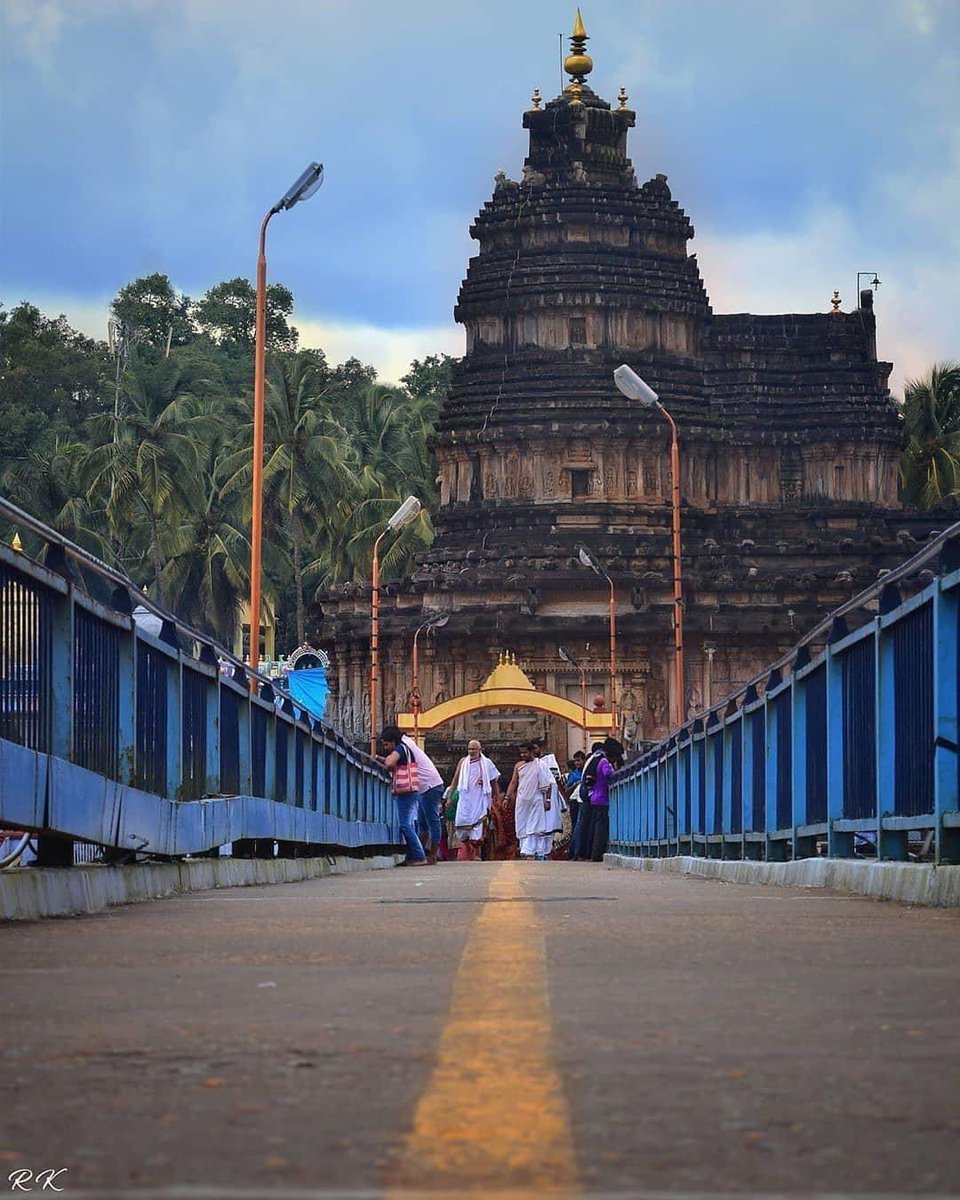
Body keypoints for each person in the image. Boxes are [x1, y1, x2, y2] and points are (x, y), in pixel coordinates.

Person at [377, 725, 426, 866]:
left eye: (386, 744)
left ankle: (419, 855)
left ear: (393, 741)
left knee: (405, 825)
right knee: (410, 823)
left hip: (406, 791)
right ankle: (411, 856)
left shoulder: (400, 748)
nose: (386, 747)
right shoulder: (406, 748)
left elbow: (390, 762)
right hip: (411, 790)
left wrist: (384, 760)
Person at [450, 739, 501, 860]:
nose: (471, 751)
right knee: (461, 825)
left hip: (479, 799)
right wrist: (449, 796)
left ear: (480, 750)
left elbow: (494, 782)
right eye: (470, 749)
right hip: (465, 799)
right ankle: (468, 852)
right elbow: (455, 779)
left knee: (478, 827)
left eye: (474, 749)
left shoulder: (487, 763)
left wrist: (496, 797)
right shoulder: (463, 762)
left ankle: (476, 854)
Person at [400, 733, 445, 865]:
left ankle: (432, 855)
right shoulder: (408, 743)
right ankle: (419, 854)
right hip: (425, 787)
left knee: (432, 821)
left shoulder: (404, 746)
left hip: (430, 786)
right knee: (422, 823)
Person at [506, 741, 557, 859]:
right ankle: (526, 850)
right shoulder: (518, 766)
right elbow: (514, 782)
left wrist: (548, 800)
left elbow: (548, 783)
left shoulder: (540, 765)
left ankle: (529, 851)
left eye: (525, 752)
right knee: (522, 825)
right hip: (522, 800)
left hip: (537, 799)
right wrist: (507, 797)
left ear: (532, 752)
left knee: (534, 826)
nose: (523, 755)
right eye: (521, 753)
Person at [589, 737, 624, 862]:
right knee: (601, 828)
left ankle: (595, 852)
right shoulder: (604, 762)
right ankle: (597, 854)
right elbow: (609, 774)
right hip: (601, 798)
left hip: (596, 798)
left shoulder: (599, 759)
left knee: (598, 826)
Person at [570, 743, 605, 860]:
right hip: (584, 798)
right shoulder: (597, 760)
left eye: (578, 760)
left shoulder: (591, 761)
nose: (577, 763)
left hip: (582, 797)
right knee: (582, 826)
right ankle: (579, 853)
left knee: (581, 826)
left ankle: (579, 853)